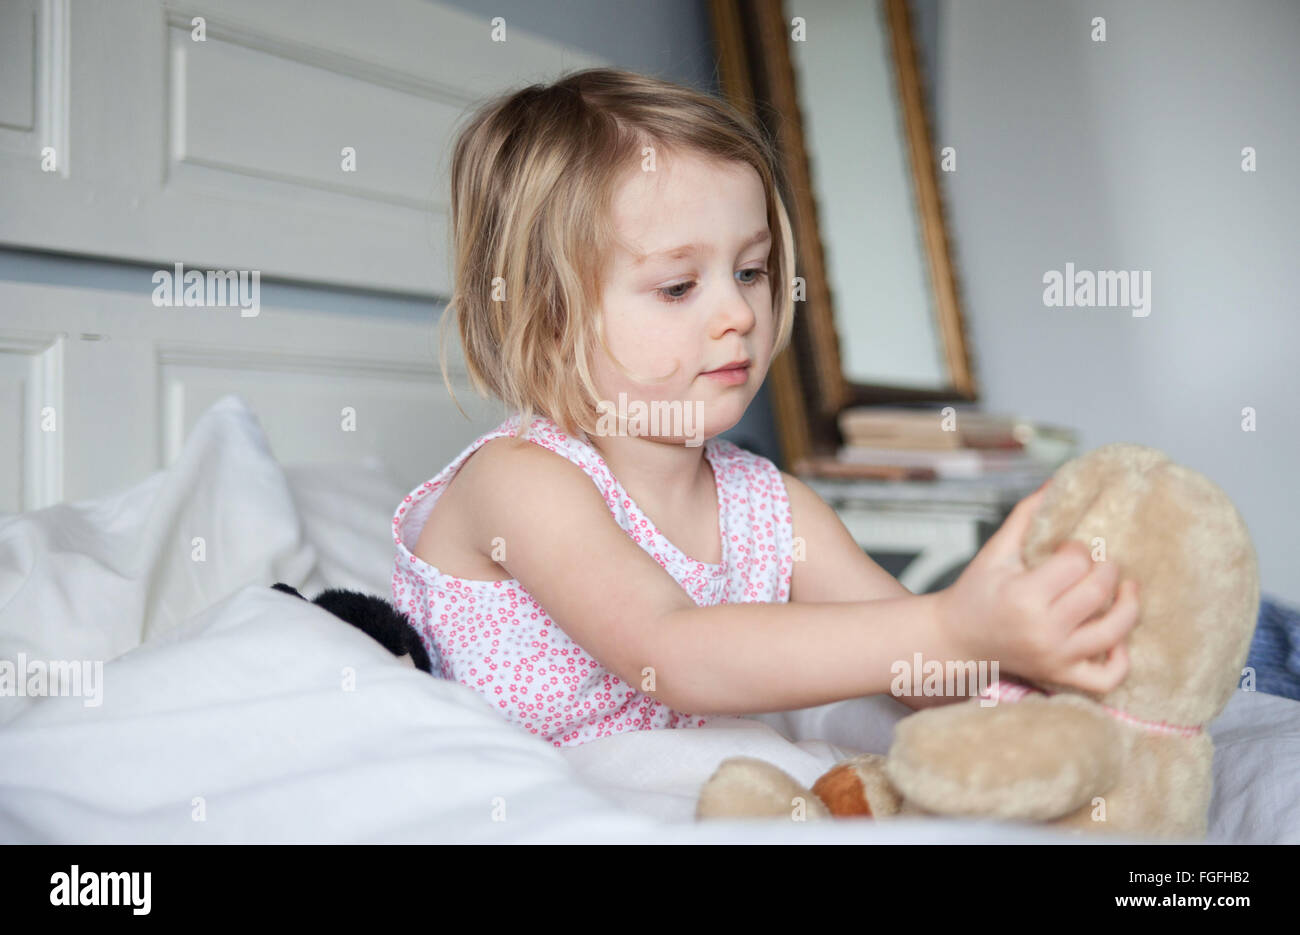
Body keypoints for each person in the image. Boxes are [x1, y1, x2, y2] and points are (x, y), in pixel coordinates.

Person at [391, 67, 1138, 748]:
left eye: (750, 271)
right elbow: (672, 651)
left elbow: (917, 669)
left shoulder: (772, 510)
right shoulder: (519, 481)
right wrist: (949, 623)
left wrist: (1023, 664)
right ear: (549, 319)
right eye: (679, 287)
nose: (739, 313)